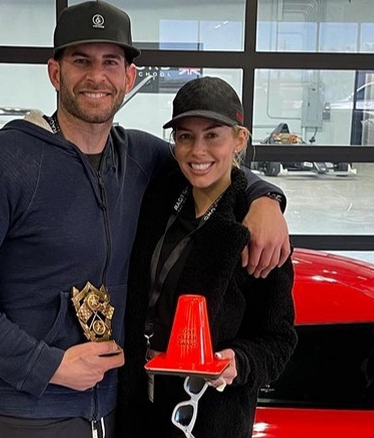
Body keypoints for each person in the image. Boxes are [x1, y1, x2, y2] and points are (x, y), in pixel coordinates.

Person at [0, 2, 290, 437]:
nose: (97, 76)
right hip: (25, 413)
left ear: (128, 78)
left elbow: (212, 167)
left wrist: (267, 198)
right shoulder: (2, 160)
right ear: (55, 72)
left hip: (116, 413)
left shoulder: (142, 157)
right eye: (81, 61)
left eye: (110, 62)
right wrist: (50, 365)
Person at [117, 76, 298, 438]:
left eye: (212, 135)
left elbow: (278, 341)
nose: (198, 151)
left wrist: (238, 363)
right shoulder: (160, 194)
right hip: (137, 405)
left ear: (239, 139)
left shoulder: (255, 230)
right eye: (185, 136)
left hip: (208, 417)